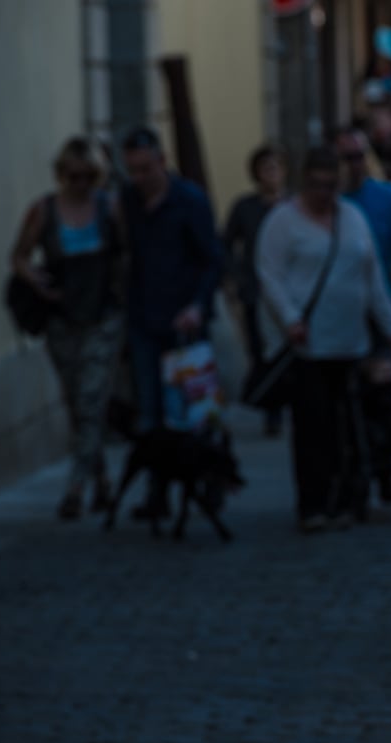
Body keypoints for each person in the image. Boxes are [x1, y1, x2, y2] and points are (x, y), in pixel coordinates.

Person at [256, 146, 391, 532]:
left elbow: (373, 278)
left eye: (331, 186)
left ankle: (344, 498)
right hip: (308, 345)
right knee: (312, 426)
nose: (324, 193)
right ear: (304, 182)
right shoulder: (283, 221)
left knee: (345, 426)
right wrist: (290, 319)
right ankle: (313, 503)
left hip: (349, 340)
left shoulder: (353, 218)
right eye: (317, 185)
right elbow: (269, 275)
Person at [9, 136, 125, 519]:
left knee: (92, 399)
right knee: (77, 403)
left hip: (102, 316)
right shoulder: (44, 210)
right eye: (74, 176)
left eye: (89, 177)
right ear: (62, 175)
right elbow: (19, 256)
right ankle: (103, 481)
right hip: (62, 319)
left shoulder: (108, 208)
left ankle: (76, 487)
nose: (81, 184)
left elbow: (128, 253)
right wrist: (36, 280)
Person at [119, 126, 224, 517]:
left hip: (185, 323)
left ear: (162, 161)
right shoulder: (129, 201)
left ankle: (209, 478)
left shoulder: (189, 200)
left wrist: (198, 304)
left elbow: (213, 259)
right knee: (150, 413)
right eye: (133, 170)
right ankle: (157, 491)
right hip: (145, 320)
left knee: (194, 411)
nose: (140, 177)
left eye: (146, 168)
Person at [223, 143, 288, 436]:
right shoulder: (245, 208)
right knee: (261, 351)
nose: (271, 174)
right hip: (256, 291)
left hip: (289, 293)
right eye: (265, 169)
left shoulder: (293, 208)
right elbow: (226, 244)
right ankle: (270, 409)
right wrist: (236, 279)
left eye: (275, 168)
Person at [334, 126, 391, 293]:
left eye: (360, 156)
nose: (355, 164)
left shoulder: (389, 196)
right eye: (348, 158)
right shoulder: (326, 201)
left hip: (384, 296)